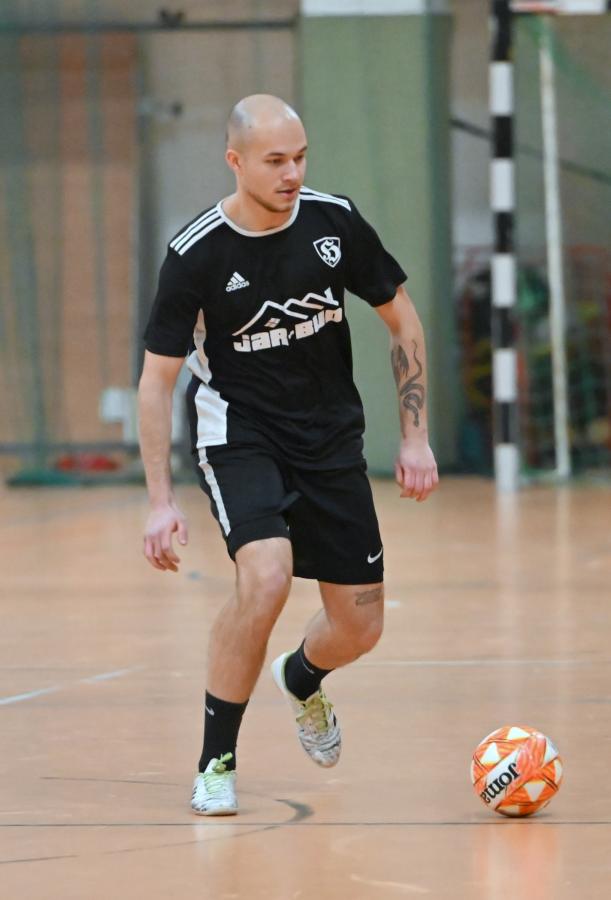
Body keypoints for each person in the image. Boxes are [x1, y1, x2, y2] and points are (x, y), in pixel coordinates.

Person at [138, 94, 438, 816]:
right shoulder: (197, 252)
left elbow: (402, 321)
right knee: (265, 577)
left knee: (360, 627)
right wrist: (159, 502)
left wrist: (415, 435)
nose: (292, 173)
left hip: (329, 438)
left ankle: (301, 677)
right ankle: (216, 760)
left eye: (300, 157)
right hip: (240, 433)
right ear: (235, 161)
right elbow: (156, 381)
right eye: (275, 160)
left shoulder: (334, 222)